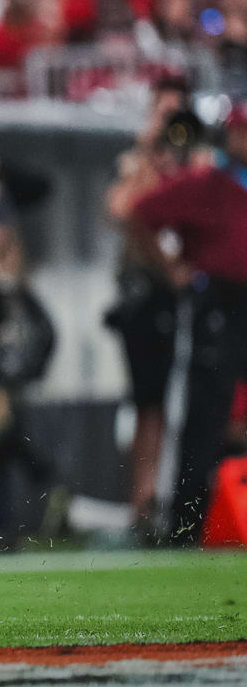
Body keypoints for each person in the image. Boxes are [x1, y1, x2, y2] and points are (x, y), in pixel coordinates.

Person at [126, 104, 247, 543]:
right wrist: (171, 267)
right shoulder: (207, 185)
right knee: (204, 419)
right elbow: (141, 212)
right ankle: (185, 525)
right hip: (220, 304)